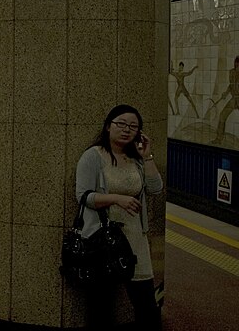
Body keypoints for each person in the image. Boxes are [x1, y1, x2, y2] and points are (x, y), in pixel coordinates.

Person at [75, 104, 163, 330]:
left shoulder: (137, 159)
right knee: (101, 305)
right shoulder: (93, 156)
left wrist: (148, 156)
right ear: (108, 126)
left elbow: (155, 189)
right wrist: (117, 199)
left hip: (135, 238)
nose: (126, 130)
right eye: (121, 124)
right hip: (103, 239)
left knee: (146, 303)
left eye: (133, 126)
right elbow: (83, 196)